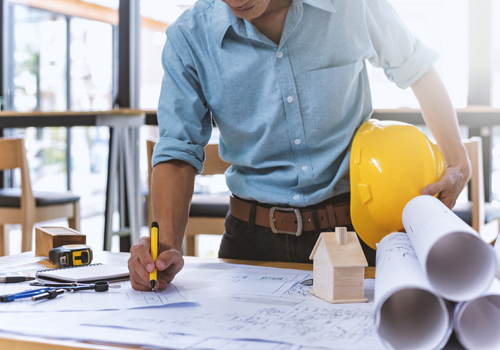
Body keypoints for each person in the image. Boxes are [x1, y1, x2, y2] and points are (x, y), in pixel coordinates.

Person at [128, 0, 471, 291]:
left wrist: (458, 163)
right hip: (250, 238)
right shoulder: (189, 36)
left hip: (354, 234)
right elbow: (177, 149)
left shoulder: (351, 7)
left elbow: (418, 68)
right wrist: (167, 245)